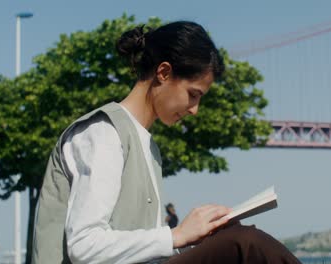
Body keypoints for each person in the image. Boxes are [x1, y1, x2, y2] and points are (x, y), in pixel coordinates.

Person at [32, 21, 301, 264]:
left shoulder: (148, 147)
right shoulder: (103, 133)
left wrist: (194, 238)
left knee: (230, 232)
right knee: (245, 243)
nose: (195, 109)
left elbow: (141, 249)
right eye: (193, 94)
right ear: (163, 72)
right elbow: (83, 246)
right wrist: (176, 236)